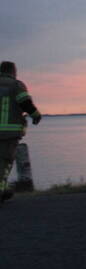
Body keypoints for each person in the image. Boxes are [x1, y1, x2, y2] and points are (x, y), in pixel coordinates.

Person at [0, 61, 42, 205]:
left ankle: (4, 189)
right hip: (8, 133)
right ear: (13, 71)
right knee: (4, 162)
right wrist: (36, 115)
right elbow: (25, 103)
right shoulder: (16, 85)